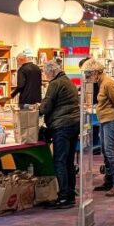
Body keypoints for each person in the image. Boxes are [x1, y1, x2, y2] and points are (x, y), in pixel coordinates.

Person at [39, 60, 79, 209]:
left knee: (59, 161)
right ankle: (70, 195)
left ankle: (63, 197)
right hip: (73, 124)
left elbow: (46, 106)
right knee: (68, 161)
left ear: (51, 72)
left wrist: (37, 110)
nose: (45, 76)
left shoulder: (55, 84)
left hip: (61, 125)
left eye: (45, 73)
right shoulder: (68, 81)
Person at [82, 58, 114, 197]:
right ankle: (109, 180)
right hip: (104, 119)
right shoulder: (101, 83)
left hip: (111, 119)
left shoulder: (108, 83)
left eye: (89, 74)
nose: (88, 77)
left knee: (109, 151)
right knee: (105, 151)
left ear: (96, 72)